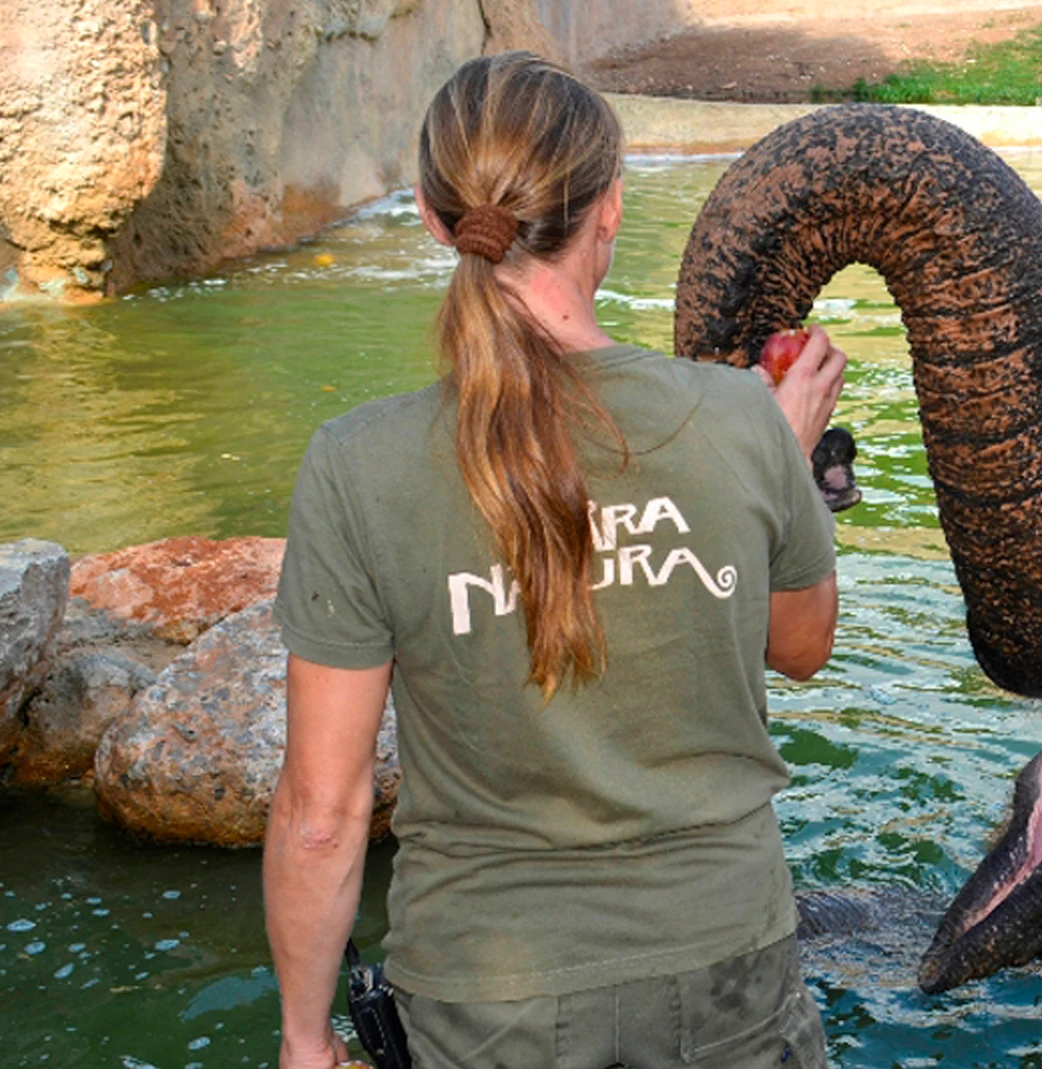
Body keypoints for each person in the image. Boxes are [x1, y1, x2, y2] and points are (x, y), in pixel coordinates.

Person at [263, 52, 845, 1069]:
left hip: (487, 998)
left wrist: (306, 1038)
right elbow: (800, 646)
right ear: (610, 207)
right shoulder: (743, 420)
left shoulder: (357, 465)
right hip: (729, 967)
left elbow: (323, 811)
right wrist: (778, 459)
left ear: (436, 221)